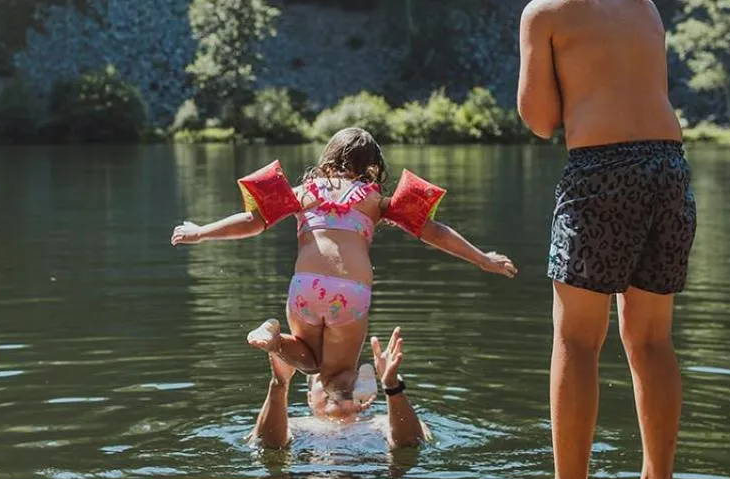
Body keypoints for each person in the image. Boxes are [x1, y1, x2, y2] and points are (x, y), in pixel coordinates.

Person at [511, 0, 697, 479]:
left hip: (602, 173)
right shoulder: (644, 7)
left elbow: (541, 120)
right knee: (651, 338)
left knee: (576, 339)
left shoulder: (543, 12)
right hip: (668, 168)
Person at [170, 128, 516, 402]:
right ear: (373, 168)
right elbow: (432, 231)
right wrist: (482, 258)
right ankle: (356, 391)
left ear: (327, 159)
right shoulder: (375, 200)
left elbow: (253, 221)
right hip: (350, 293)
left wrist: (201, 232)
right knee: (334, 377)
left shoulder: (303, 193)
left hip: (306, 287)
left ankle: (275, 341)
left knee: (309, 361)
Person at [252, 327, 425, 450]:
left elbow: (410, 442)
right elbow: (268, 444)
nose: (334, 386)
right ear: (309, 398)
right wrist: (279, 385)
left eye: (343, 380)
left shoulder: (380, 424)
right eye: (323, 379)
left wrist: (392, 388)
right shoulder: (295, 426)